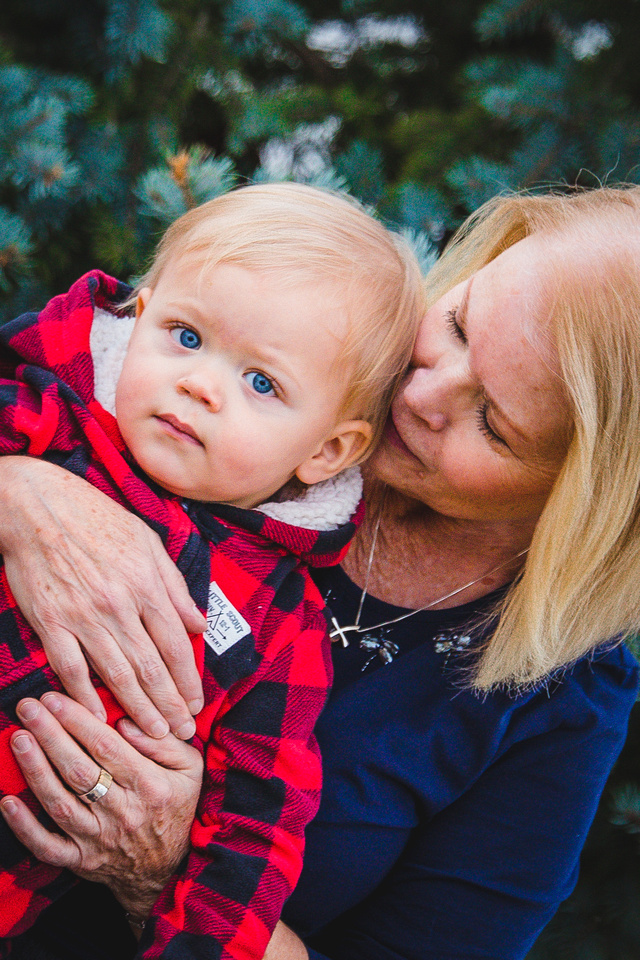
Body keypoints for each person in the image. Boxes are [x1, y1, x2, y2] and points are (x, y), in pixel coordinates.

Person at [1, 184, 639, 960]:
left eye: (492, 423)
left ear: (583, 498)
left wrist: (167, 864)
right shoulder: (270, 355)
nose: (419, 393)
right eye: (461, 325)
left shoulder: (560, 704)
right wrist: (22, 493)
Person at [0, 183, 424, 957]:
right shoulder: (40, 413)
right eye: (186, 335)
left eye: (261, 382)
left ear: (327, 450)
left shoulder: (276, 624)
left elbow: (254, 830)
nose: (199, 383)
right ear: (139, 316)